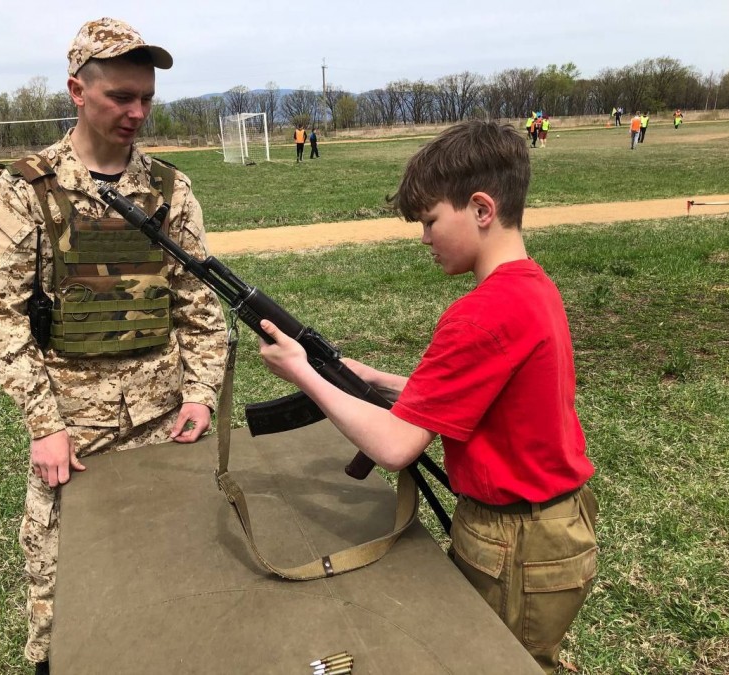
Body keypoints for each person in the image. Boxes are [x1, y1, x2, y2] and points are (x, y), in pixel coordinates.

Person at [256, 120, 598, 674]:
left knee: (494, 663)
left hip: (515, 541)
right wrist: (363, 373)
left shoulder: (479, 314)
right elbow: (469, 393)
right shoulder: (530, 287)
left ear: (481, 209)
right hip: (548, 530)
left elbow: (396, 447)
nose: (424, 238)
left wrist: (305, 376)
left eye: (431, 220)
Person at [0, 17, 227, 674]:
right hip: (74, 440)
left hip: (163, 426)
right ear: (76, 92)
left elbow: (199, 305)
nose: (137, 111)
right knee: (63, 599)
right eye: (121, 96)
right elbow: (2, 320)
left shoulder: (170, 190)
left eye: (145, 96)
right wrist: (44, 425)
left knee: (172, 583)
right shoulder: (27, 191)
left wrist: (200, 393)